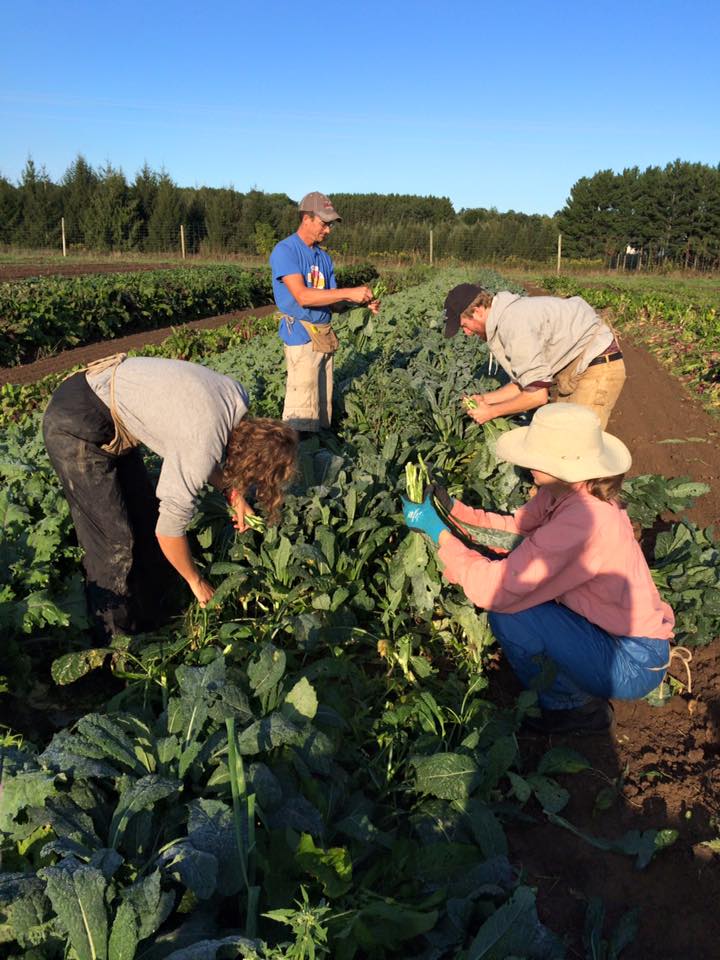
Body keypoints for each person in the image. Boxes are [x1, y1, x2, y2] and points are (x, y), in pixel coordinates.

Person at [402, 403, 678, 735]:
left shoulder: (583, 521)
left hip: (632, 660)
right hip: (603, 634)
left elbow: (494, 589)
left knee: (510, 613)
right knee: (525, 601)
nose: (527, 462)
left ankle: (575, 710)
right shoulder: (563, 493)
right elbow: (514, 532)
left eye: (537, 455)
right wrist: (453, 512)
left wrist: (440, 535)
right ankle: (575, 682)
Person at [43, 354, 298, 639]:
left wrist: (233, 493)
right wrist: (196, 580)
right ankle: (116, 648)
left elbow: (209, 443)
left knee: (144, 517)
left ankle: (156, 618)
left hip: (108, 408)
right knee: (112, 543)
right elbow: (170, 531)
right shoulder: (201, 445)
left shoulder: (235, 399)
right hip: (75, 421)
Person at [269, 191, 380, 433]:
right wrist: (348, 292)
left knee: (320, 410)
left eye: (330, 225)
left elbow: (332, 302)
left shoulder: (323, 258)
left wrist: (358, 303)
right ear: (306, 218)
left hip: (323, 338)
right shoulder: (285, 250)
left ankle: (318, 457)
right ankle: (298, 463)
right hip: (301, 338)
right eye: (324, 223)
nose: (328, 230)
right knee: (300, 416)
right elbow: (303, 296)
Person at [444, 283, 626, 429]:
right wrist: (486, 399)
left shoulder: (513, 324)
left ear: (477, 311)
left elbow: (537, 395)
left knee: (576, 448)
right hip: (576, 369)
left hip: (597, 367)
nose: (467, 333)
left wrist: (491, 412)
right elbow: (527, 383)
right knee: (557, 440)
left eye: (464, 325)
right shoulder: (506, 317)